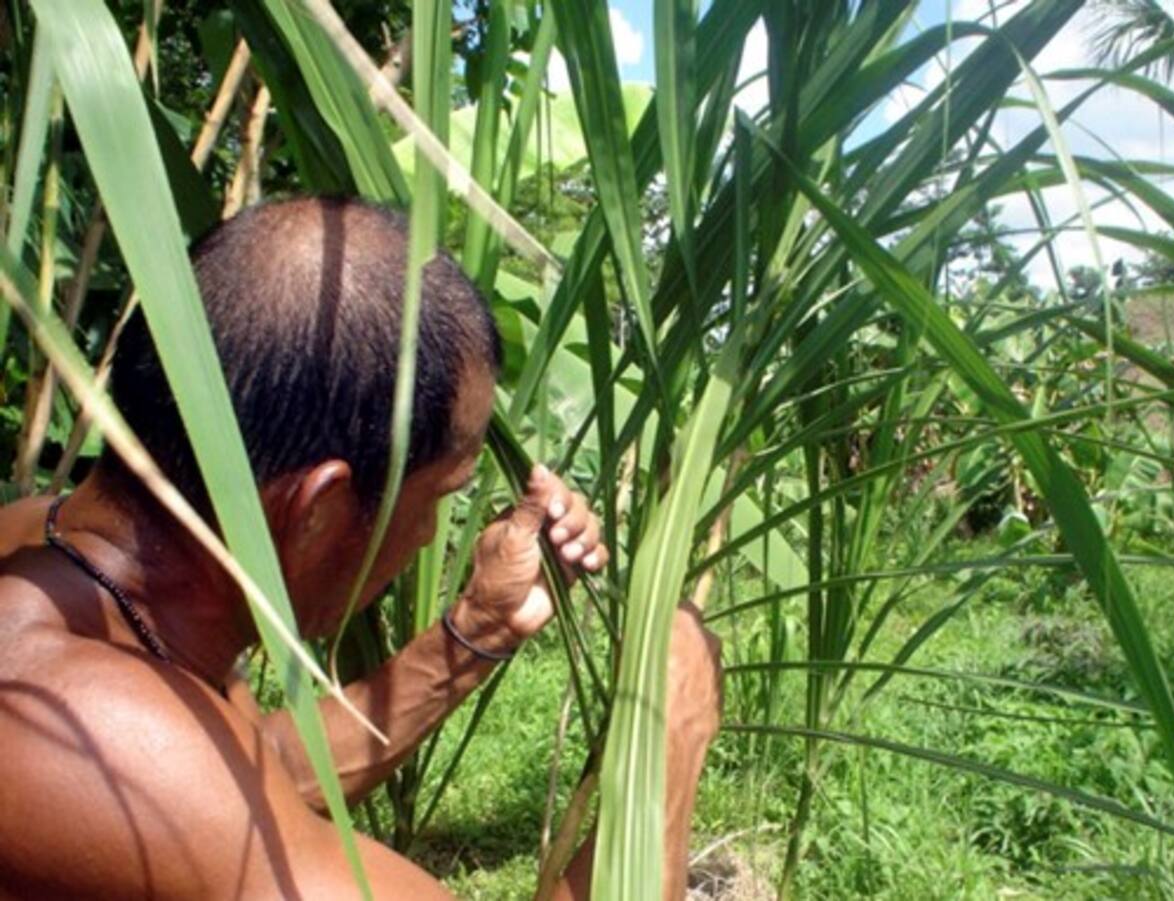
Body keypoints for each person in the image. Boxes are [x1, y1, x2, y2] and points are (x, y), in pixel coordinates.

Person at [0, 197, 722, 899]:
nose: (432, 533)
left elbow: (256, 767)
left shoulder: (53, 553)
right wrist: (666, 740)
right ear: (319, 512)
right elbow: (197, 788)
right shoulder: (87, 730)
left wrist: (482, 627)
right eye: (437, 496)